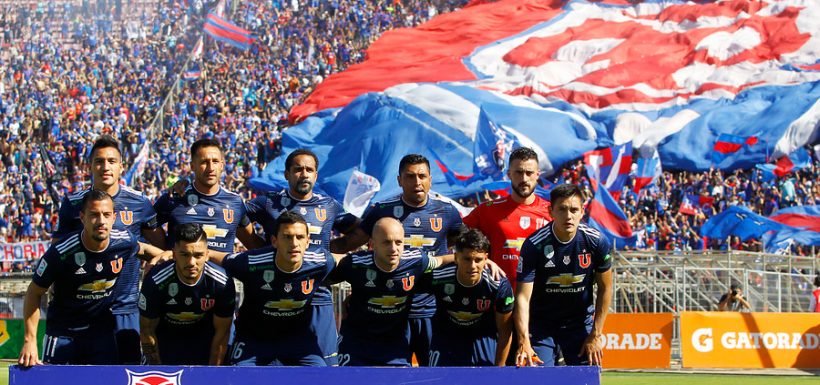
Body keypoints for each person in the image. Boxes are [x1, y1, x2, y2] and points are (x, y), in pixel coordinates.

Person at [18, 190, 167, 366]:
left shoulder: (125, 241)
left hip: (100, 334)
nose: (101, 221)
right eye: (94, 215)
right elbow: (34, 292)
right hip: (63, 332)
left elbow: (143, 249)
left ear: (114, 218)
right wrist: (30, 341)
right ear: (82, 217)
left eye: (106, 215)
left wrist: (166, 256)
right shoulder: (61, 252)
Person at [52, 135, 166, 364]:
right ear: (90, 166)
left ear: (121, 166)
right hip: (83, 311)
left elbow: (161, 248)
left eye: (112, 161)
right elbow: (57, 253)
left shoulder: (139, 203)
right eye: (99, 161)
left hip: (125, 309)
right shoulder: (73, 203)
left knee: (127, 374)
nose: (106, 167)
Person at [245, 148, 365, 365]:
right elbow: (234, 218)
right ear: (287, 174)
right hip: (275, 295)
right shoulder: (268, 203)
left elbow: (360, 231)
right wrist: (258, 247)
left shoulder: (328, 206)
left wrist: (334, 247)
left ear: (316, 175)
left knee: (325, 366)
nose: (304, 174)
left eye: (309, 170)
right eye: (298, 169)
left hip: (317, 296)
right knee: (274, 364)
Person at [357, 154, 463, 366]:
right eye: (410, 176)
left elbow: (464, 247)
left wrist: (489, 261)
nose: (417, 182)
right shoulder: (382, 210)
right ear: (399, 180)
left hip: (433, 309)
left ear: (430, 179)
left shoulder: (447, 211)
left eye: (422, 176)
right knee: (393, 374)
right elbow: (351, 243)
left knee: (436, 374)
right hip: (392, 311)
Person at [209, 211, 338, 366]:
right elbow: (215, 256)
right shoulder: (252, 262)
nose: (294, 243)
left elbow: (348, 263)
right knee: (239, 377)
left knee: (321, 377)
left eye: (300, 237)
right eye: (287, 237)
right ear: (274, 241)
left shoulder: (322, 262)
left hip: (299, 341)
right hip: (254, 340)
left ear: (308, 241)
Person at [514, 183, 613, 367]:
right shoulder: (534, 245)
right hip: (541, 326)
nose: (568, 216)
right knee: (538, 377)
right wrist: (523, 341)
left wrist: (596, 334)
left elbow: (606, 288)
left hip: (579, 324)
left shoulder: (596, 242)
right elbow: (522, 297)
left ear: (582, 212)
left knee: (587, 373)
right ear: (551, 211)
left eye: (574, 210)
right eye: (562, 209)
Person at [329, 217, 449, 367]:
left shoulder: (417, 260)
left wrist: (481, 260)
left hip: (394, 346)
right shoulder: (355, 264)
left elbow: (442, 260)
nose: (393, 249)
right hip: (357, 344)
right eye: (386, 242)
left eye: (398, 242)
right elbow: (323, 275)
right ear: (372, 245)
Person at [139, 223, 236, 365]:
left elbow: (222, 334)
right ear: (174, 254)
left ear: (207, 255)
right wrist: (158, 371)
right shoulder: (155, 281)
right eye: (184, 254)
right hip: (167, 340)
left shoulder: (222, 283)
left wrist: (213, 375)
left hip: (206, 339)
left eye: (198, 255)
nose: (191, 262)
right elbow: (147, 330)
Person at [154, 138, 264, 253]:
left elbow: (252, 242)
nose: (210, 168)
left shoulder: (235, 202)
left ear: (222, 165)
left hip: (221, 271)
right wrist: (168, 252)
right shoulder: (175, 197)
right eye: (204, 162)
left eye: (215, 161)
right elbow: (146, 227)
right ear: (192, 166)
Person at [463, 147, 552, 289]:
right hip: (497, 300)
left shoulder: (552, 213)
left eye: (529, 173)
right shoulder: (487, 210)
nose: (524, 179)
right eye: (519, 172)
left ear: (537, 175)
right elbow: (456, 240)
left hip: (539, 303)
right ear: (509, 174)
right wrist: (482, 261)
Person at [425, 228, 514, 366]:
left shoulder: (498, 284)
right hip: (446, 333)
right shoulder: (437, 277)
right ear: (456, 257)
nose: (472, 266)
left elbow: (505, 330)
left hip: (482, 335)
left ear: (486, 258)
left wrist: (499, 369)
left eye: (478, 260)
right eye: (467, 259)